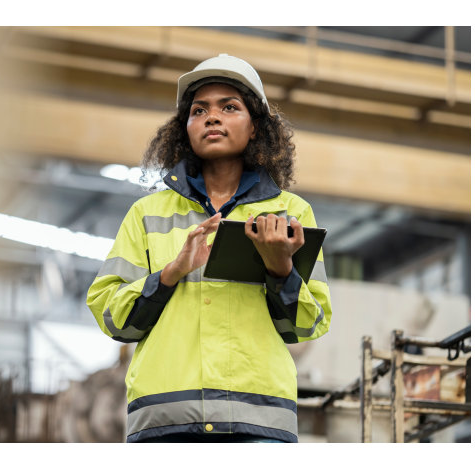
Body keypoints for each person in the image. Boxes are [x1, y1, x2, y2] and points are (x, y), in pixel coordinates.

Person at [86, 54, 332, 443]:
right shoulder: (147, 214)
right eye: (199, 110)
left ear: (256, 128)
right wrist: (170, 273)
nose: (211, 117)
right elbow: (114, 319)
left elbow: (309, 323)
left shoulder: (291, 213)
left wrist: (280, 269)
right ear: (186, 129)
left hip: (258, 422)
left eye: (229, 107)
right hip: (166, 420)